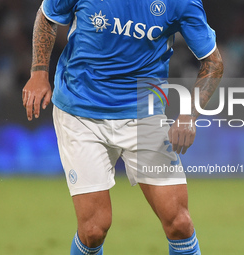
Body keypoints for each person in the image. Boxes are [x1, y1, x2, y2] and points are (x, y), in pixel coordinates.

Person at [22, 0, 223, 254]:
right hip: (81, 112)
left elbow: (213, 62)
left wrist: (189, 115)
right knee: (93, 230)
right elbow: (48, 15)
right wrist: (39, 72)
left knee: (179, 223)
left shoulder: (180, 2)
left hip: (143, 115)